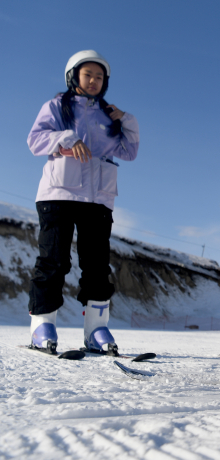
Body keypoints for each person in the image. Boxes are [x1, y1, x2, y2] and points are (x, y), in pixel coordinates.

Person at [27, 50, 139, 355]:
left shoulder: (109, 115)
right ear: (73, 77)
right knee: (54, 260)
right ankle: (42, 325)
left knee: (96, 266)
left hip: (99, 198)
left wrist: (125, 119)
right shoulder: (56, 106)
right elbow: (35, 140)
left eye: (99, 76)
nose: (93, 81)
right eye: (87, 74)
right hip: (58, 194)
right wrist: (66, 139)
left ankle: (96, 330)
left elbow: (129, 152)